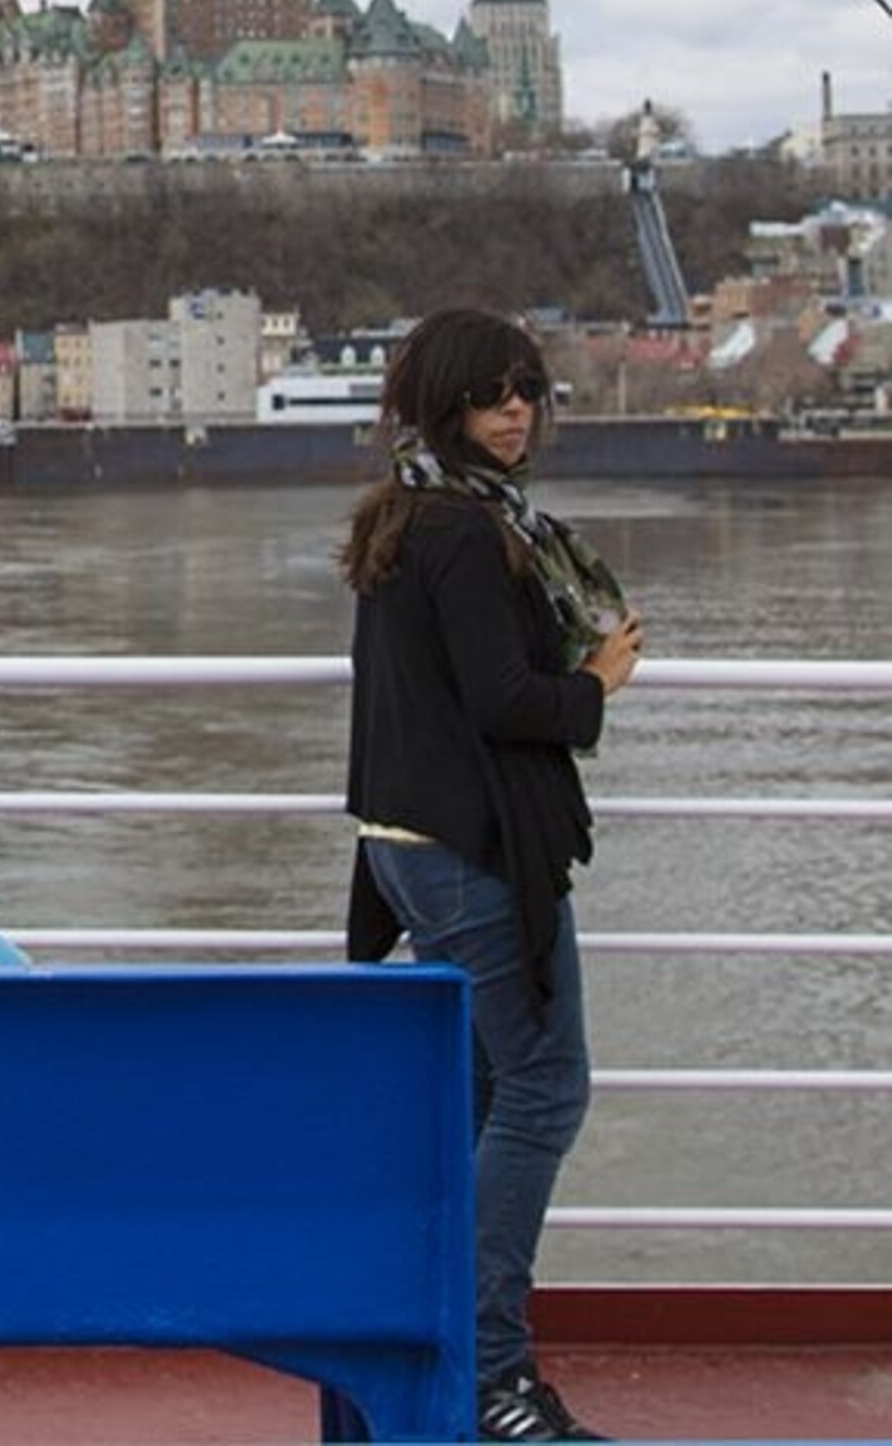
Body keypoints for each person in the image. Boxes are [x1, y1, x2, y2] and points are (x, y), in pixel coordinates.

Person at [339, 308, 643, 1445]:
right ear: (443, 407)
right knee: (545, 1089)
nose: (517, 411)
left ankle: (437, 1349)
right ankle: (491, 1373)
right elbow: (506, 702)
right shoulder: (467, 532)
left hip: (408, 847)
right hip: (471, 856)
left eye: (528, 389)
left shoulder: (407, 515)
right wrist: (599, 680)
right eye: (491, 394)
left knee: (473, 1100)